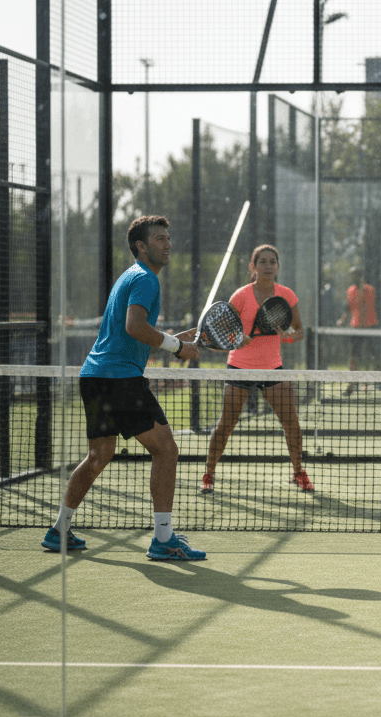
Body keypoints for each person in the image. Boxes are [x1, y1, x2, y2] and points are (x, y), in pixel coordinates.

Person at [42, 215, 206, 561]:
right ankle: (163, 539)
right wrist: (176, 348)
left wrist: (175, 340)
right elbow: (135, 326)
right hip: (119, 379)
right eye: (159, 239)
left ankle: (59, 530)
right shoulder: (146, 279)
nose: (167, 244)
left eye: (167, 238)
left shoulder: (130, 276)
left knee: (99, 455)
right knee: (166, 450)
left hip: (95, 376)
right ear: (141, 246)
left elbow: (134, 330)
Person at [202, 244, 313, 494]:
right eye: (262, 262)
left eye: (272, 262)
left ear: (277, 266)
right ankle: (208, 473)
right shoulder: (240, 296)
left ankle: (298, 472)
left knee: (291, 423)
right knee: (226, 424)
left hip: (272, 368)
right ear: (253, 267)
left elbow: (300, 331)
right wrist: (237, 337)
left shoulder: (287, 295)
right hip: (239, 368)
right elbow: (222, 330)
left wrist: (287, 336)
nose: (267, 266)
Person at [337, 267, 381, 395]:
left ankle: (379, 382)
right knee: (354, 357)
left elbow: (368, 304)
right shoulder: (350, 290)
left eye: (356, 275)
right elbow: (348, 307)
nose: (354, 277)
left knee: (375, 355)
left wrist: (362, 290)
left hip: (370, 326)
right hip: (356, 327)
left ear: (360, 276)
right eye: (352, 275)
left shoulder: (369, 289)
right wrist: (342, 319)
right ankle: (353, 384)